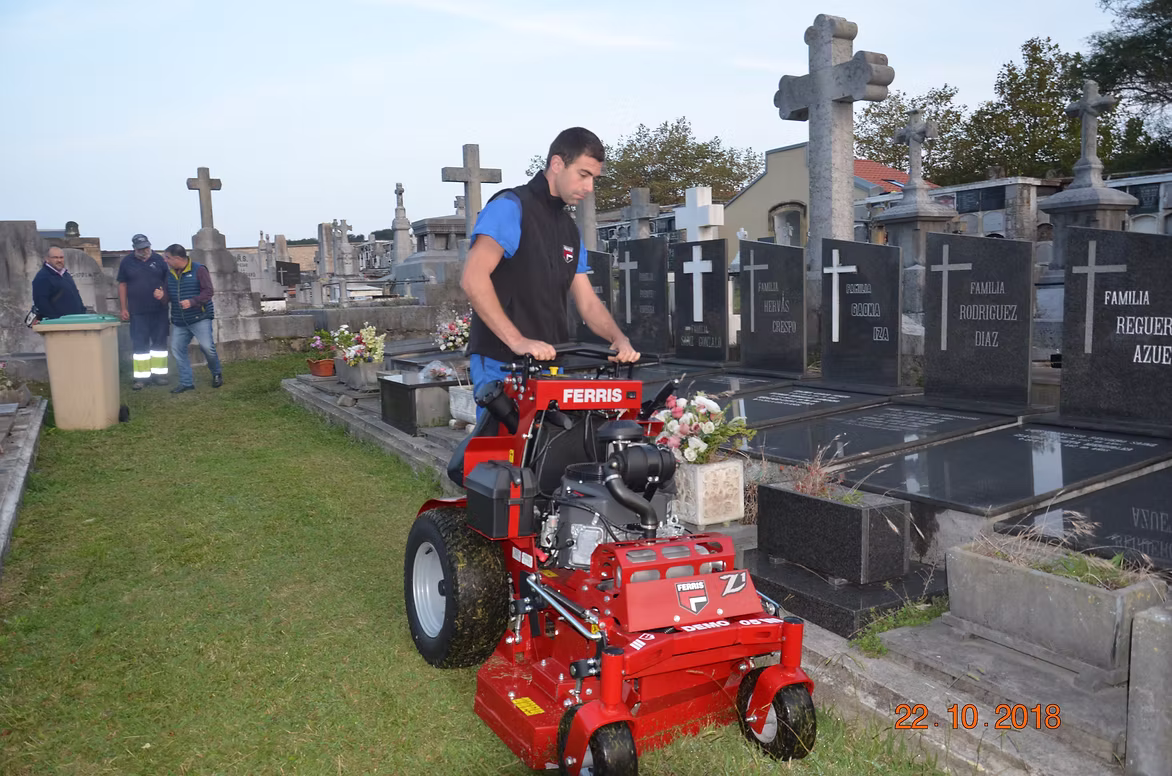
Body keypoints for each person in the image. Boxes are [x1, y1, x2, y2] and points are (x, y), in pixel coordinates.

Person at [461, 127, 638, 399]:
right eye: (583, 175)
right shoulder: (511, 207)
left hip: (551, 362)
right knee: (503, 429)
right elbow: (473, 278)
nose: (589, 187)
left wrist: (618, 338)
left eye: (594, 178)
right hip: (502, 362)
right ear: (557, 164)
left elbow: (588, 302)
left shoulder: (569, 229)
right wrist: (517, 340)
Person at [157, 244, 222, 394]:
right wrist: (161, 297)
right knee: (177, 349)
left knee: (207, 347)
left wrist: (192, 302)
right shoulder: (169, 273)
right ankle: (186, 382)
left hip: (200, 317)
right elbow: (168, 297)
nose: (165, 261)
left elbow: (208, 292)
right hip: (179, 320)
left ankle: (216, 373)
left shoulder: (199, 270)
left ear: (177, 258)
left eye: (168, 258)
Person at [117, 234, 170, 390]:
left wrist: (164, 294)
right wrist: (123, 308)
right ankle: (141, 377)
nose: (144, 251)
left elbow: (168, 282)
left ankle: (159, 375)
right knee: (140, 344)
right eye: (140, 249)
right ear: (134, 248)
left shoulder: (159, 260)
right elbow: (122, 285)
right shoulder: (127, 262)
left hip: (159, 310)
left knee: (159, 344)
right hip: (138, 311)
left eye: (146, 247)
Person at [31, 246, 86, 322]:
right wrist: (56, 320)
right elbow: (41, 302)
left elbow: (76, 295)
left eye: (61, 257)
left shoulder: (66, 275)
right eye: (55, 257)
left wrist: (83, 312)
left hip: (76, 320)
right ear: (47, 259)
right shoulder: (43, 277)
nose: (59, 260)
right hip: (60, 323)